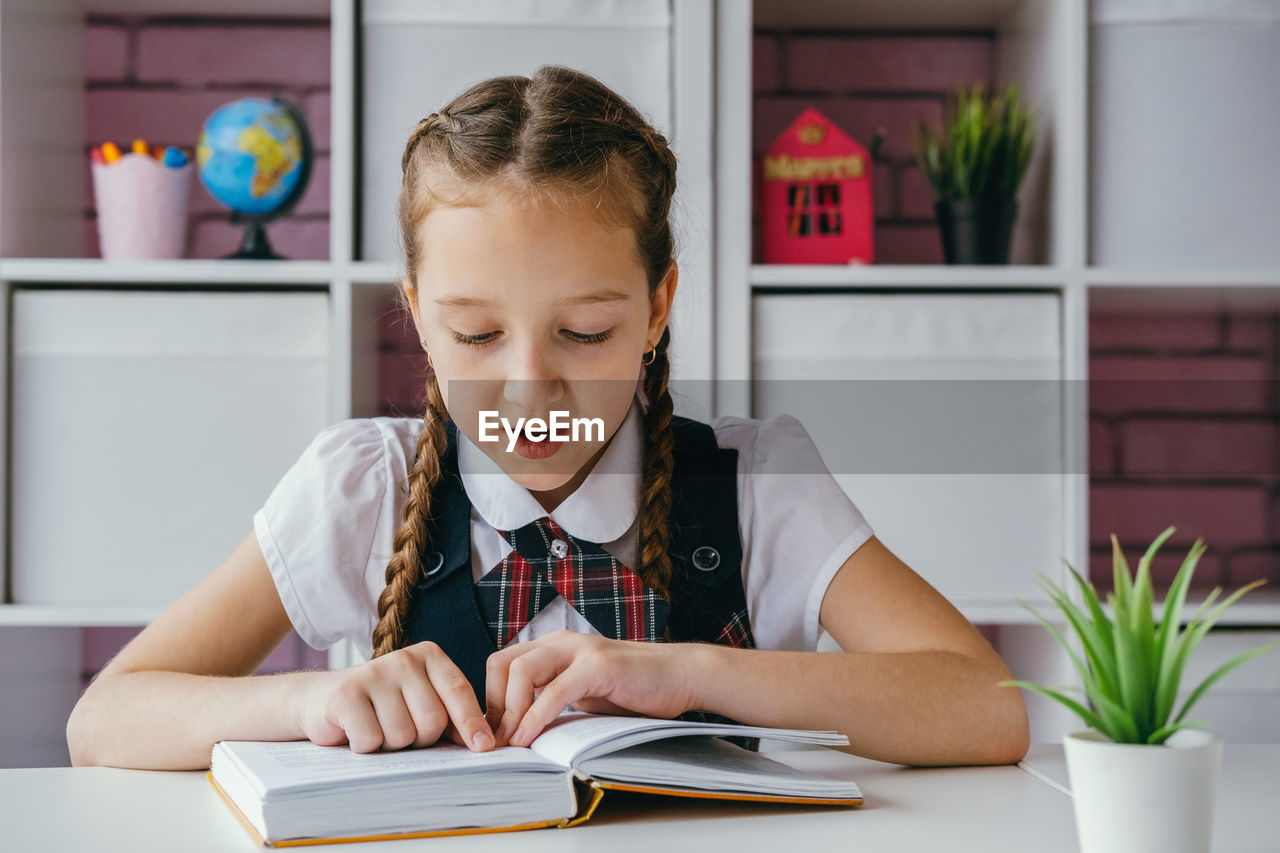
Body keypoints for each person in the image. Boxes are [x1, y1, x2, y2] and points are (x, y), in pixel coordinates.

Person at [66, 65, 1029, 771]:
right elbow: (105, 719)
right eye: (477, 334)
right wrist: (312, 695)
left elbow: (987, 708)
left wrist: (694, 674)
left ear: (657, 309)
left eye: (585, 330)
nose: (530, 390)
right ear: (417, 317)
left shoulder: (753, 482)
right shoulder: (363, 486)